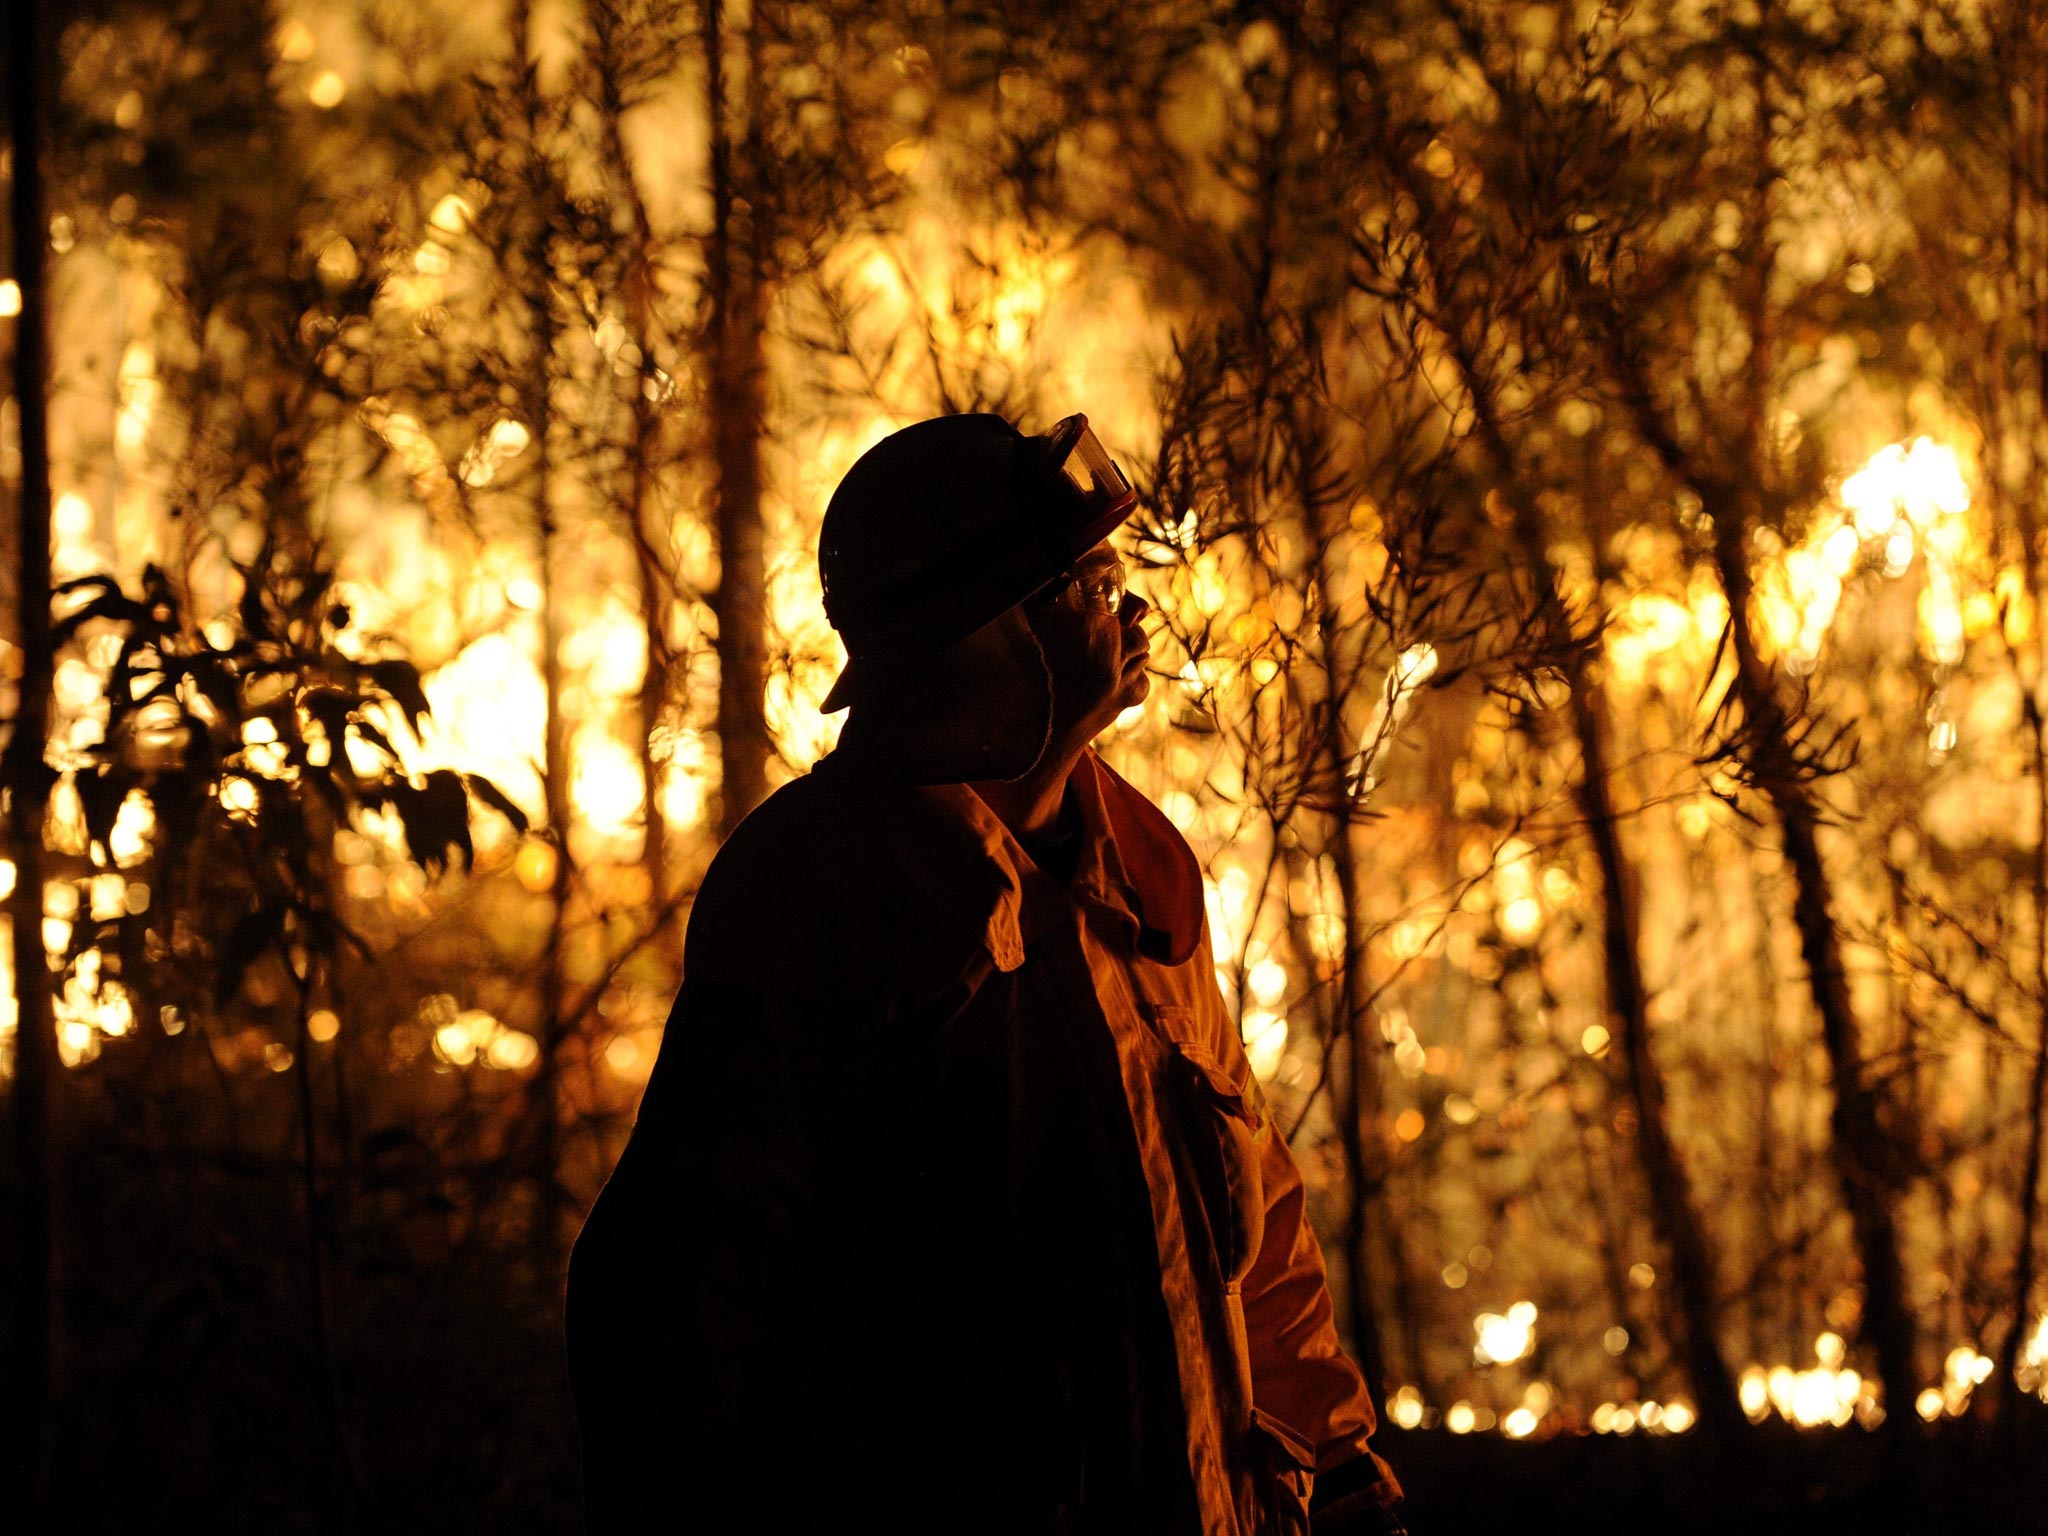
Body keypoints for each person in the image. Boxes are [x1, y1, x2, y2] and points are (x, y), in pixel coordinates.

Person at [566, 413, 1408, 1534]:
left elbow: (1261, 1245)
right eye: (1092, 587)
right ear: (986, 639)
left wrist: (1342, 1470)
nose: (1134, 611)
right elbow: (673, 1313)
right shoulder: (818, 896)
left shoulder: (1138, 869)